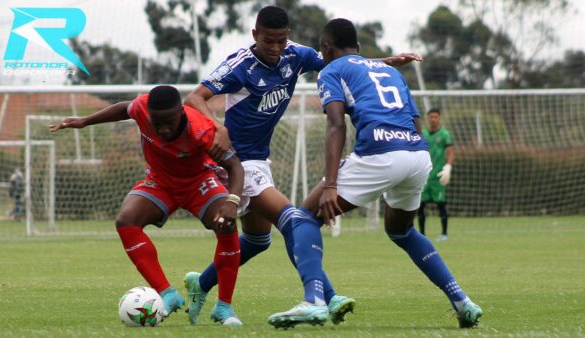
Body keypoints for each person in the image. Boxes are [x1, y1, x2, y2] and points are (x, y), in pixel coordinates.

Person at [184, 5, 421, 326]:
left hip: (259, 158)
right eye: (269, 40)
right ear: (255, 35)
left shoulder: (296, 56)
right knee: (293, 219)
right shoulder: (240, 64)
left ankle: (200, 285)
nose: (276, 47)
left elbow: (343, 63)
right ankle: (326, 294)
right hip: (237, 161)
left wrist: (387, 62)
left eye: (282, 40)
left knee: (257, 240)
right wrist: (218, 127)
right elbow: (194, 98)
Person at [268, 18, 482, 329]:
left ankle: (314, 300)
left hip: (380, 154)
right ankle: (462, 301)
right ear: (357, 46)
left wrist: (331, 184)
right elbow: (414, 119)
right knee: (402, 230)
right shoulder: (390, 70)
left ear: (326, 48)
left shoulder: (331, 70)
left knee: (303, 217)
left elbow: (336, 125)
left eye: (322, 49)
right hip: (417, 155)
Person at [50, 85, 245, 326]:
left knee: (226, 225)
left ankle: (224, 307)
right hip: (160, 182)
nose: (162, 128)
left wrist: (231, 201)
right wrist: (84, 121)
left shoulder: (201, 130)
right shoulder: (142, 107)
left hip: (198, 183)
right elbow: (124, 109)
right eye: (157, 121)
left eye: (169, 121)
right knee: (126, 220)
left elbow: (235, 166)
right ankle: (167, 294)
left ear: (181, 114)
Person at [418, 108, 454, 242]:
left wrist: (448, 167)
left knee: (441, 205)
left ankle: (444, 234)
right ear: (427, 118)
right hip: (424, 176)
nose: (433, 119)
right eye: (431, 117)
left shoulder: (444, 134)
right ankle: (422, 235)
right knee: (420, 206)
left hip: (438, 176)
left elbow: (450, 152)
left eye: (435, 117)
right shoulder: (423, 134)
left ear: (439, 118)